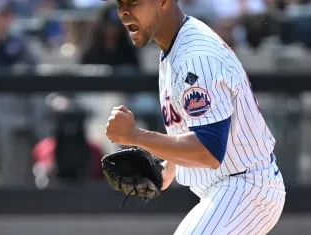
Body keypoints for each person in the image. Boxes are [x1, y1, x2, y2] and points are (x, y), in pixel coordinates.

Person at [105, 0, 286, 234]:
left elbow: (208, 150)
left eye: (133, 2)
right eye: (120, 4)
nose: (124, 12)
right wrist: (167, 169)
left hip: (245, 188)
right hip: (232, 188)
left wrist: (135, 136)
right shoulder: (176, 46)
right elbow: (192, 130)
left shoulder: (195, 56)